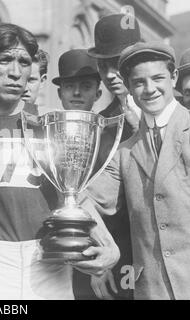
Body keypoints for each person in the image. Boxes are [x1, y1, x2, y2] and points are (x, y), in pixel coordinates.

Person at [0, 22, 120, 300]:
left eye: (23, 62)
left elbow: (74, 196)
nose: (15, 72)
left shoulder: (49, 123)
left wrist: (110, 246)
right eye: (5, 60)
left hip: (49, 263)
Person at [84, 41, 190, 300]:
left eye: (158, 78)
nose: (149, 89)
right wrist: (106, 246)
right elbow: (83, 200)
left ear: (174, 77)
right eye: (139, 82)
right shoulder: (125, 152)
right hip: (152, 290)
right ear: (129, 86)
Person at [86, 13, 142, 300]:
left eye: (116, 62)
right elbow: (90, 198)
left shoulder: (178, 115)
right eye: (103, 64)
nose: (109, 74)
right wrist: (98, 264)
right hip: (120, 257)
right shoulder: (100, 125)